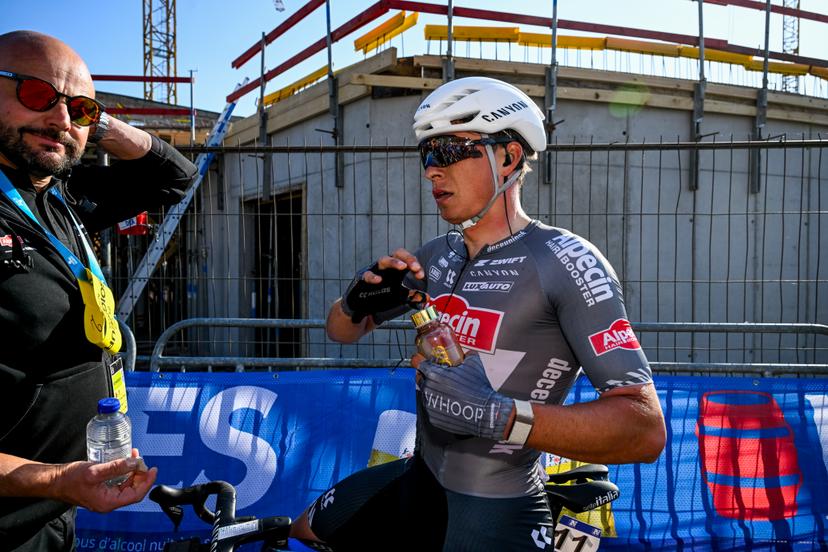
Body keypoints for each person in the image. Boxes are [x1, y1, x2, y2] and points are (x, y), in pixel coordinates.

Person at [290, 76, 667, 551]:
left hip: (497, 506)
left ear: (508, 157)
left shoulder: (567, 261)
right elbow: (340, 332)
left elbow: (645, 429)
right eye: (426, 156)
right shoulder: (434, 256)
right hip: (419, 478)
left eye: (446, 151)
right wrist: (352, 304)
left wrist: (501, 416)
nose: (431, 171)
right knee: (301, 531)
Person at [0, 31, 197, 550]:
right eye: (36, 95)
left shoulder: (63, 197)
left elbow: (177, 175)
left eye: (79, 108)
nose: (62, 120)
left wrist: (93, 122)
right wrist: (56, 479)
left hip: (52, 514)